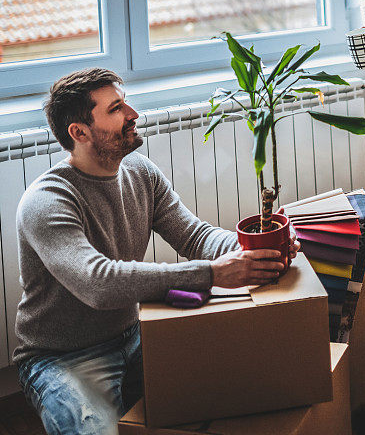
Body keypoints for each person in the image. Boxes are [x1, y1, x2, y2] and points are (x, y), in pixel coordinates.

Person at [14, 68, 299, 435]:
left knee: (235, 400)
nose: (133, 114)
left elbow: (194, 236)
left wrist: (262, 247)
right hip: (62, 358)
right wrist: (214, 274)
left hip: (136, 334)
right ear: (79, 132)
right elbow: (97, 284)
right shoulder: (47, 201)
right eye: (116, 109)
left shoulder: (140, 172)